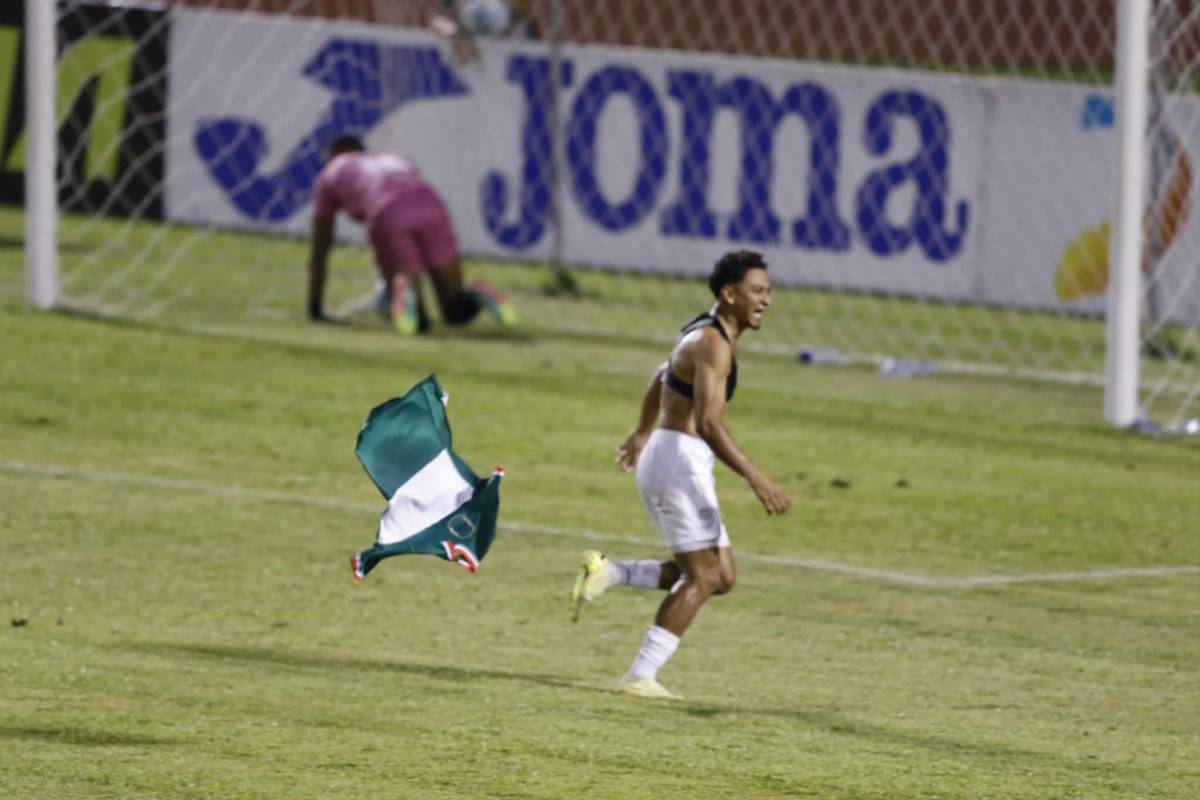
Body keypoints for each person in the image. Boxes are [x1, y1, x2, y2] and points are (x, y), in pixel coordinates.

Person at [570, 250, 790, 700]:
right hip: (678, 462)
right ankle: (640, 677)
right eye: (756, 291)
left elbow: (661, 375)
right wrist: (756, 477)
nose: (766, 300)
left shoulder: (705, 331)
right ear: (730, 294)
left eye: (768, 291)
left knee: (721, 575)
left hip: (676, 456)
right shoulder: (712, 343)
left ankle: (611, 573)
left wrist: (642, 431)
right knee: (703, 577)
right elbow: (708, 422)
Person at [306, 135, 515, 334]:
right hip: (432, 205)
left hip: (388, 212)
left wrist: (315, 307)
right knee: (454, 310)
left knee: (415, 319)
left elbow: (321, 246)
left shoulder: (332, 172)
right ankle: (477, 294)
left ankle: (403, 296)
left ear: (332, 155)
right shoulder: (393, 160)